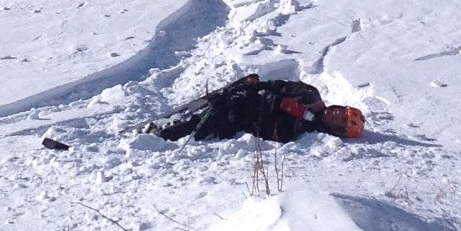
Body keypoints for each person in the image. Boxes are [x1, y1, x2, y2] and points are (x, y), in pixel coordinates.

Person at [143, 74, 365, 144]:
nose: (338, 115)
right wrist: (260, 88)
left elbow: (272, 132)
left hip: (244, 116)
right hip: (249, 95)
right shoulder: (311, 95)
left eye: (342, 121)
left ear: (337, 130)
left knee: (214, 123)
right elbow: (279, 85)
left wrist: (277, 106)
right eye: (342, 112)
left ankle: (162, 134)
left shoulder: (304, 132)